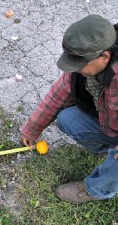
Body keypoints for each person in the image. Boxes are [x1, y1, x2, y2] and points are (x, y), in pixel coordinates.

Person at [20, 14, 118, 204]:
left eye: (79, 65)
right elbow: (59, 94)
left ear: (104, 56)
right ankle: (107, 147)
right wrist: (32, 128)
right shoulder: (88, 60)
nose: (75, 69)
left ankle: (96, 189)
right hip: (112, 124)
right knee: (68, 119)